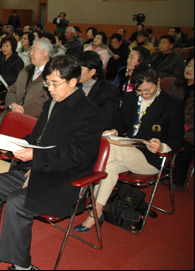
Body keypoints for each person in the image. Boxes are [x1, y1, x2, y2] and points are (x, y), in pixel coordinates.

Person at [0, 55, 103, 270]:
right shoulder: (53, 103)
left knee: (18, 203)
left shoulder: (90, 113)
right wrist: (15, 145)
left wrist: (35, 156)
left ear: (73, 82)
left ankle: (21, 266)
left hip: (65, 179)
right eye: (47, 83)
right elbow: (37, 138)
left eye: (55, 83)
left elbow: (76, 154)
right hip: (37, 169)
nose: (49, 89)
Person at [75, 64, 184, 232]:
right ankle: (96, 213)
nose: (144, 95)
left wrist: (162, 145)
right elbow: (121, 123)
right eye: (140, 91)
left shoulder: (171, 104)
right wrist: (115, 130)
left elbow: (177, 138)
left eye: (149, 90)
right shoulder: (131, 98)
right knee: (109, 167)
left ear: (159, 82)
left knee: (107, 148)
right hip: (125, 151)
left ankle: (81, 193)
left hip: (150, 157)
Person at [0, 38, 53, 137]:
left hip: (31, 118)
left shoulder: (52, 74)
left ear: (45, 52)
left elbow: (45, 101)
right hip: (12, 113)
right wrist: (12, 104)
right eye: (30, 51)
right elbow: (12, 90)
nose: (31, 54)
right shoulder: (26, 70)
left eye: (34, 50)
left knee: (11, 135)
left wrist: (21, 110)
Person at [166, 57, 194, 189]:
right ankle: (162, 171)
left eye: (193, 67)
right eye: (188, 65)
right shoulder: (177, 84)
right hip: (172, 122)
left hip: (189, 130)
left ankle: (179, 178)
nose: (189, 69)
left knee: (185, 143)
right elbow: (166, 104)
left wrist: (181, 126)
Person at [77, 50, 121, 129]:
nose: (76, 72)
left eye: (80, 69)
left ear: (92, 71)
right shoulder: (74, 86)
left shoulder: (109, 91)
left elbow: (105, 121)